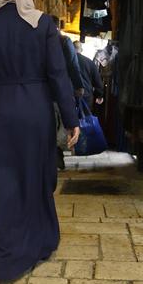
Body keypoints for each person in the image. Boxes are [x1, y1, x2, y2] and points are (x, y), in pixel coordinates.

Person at [0, 0, 80, 284]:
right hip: (34, 111)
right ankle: (37, 244)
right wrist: (71, 119)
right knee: (34, 177)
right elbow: (58, 75)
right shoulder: (43, 24)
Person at [50, 15, 83, 169]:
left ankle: (52, 153)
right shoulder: (64, 41)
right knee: (63, 123)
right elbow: (73, 65)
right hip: (62, 88)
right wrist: (78, 85)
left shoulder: (39, 41)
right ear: (59, 26)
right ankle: (57, 153)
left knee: (51, 122)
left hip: (44, 91)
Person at [74, 40, 105, 109]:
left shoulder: (66, 61)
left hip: (70, 96)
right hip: (86, 97)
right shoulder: (89, 62)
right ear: (81, 50)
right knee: (85, 119)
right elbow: (97, 81)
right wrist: (99, 95)